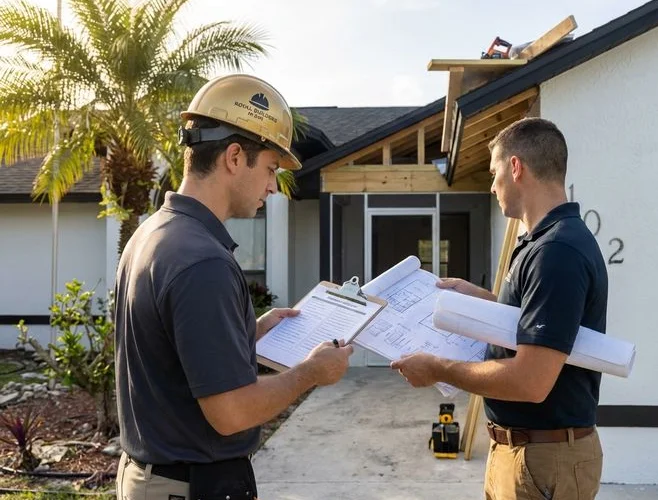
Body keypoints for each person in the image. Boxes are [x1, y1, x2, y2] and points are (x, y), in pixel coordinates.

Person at [114, 74, 354, 500]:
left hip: (156, 476)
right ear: (234, 156)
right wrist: (311, 373)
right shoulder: (202, 259)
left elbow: (171, 353)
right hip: (189, 487)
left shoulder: (154, 234)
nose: (273, 187)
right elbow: (231, 412)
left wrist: (250, 331)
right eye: (270, 169)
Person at [391, 117, 607, 500]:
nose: (492, 186)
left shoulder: (556, 251)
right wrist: (479, 299)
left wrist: (437, 368)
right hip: (525, 453)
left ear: (516, 167)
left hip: (543, 460)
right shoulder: (543, 241)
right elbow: (539, 321)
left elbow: (530, 380)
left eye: (494, 173)